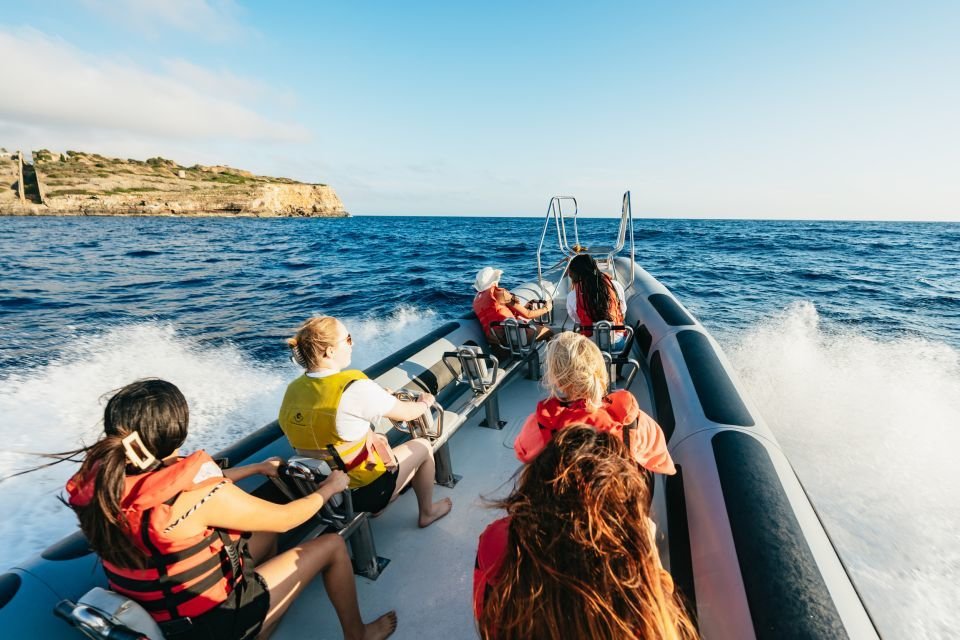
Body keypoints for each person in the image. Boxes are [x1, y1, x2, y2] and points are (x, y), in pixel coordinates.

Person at [64, 379, 396, 640]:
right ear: (175, 431)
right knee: (333, 545)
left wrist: (254, 469)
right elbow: (286, 519)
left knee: (260, 532)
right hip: (211, 624)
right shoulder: (200, 497)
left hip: (164, 618)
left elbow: (185, 490)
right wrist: (331, 487)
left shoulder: (104, 488)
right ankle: (359, 634)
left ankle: (259, 622)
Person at [475, 426, 698, 640]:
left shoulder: (497, 538)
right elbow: (661, 623)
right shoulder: (631, 574)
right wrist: (648, 557)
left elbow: (486, 613)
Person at [278, 316, 452, 528]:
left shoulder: (292, 390)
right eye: (348, 339)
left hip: (324, 490)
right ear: (330, 351)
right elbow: (407, 414)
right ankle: (427, 512)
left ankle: (385, 502)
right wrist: (425, 402)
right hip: (363, 492)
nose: (353, 344)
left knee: (376, 438)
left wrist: (381, 397)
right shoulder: (353, 386)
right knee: (424, 446)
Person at [514, 331, 675, 476]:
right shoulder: (633, 421)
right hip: (615, 501)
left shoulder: (539, 424)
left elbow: (522, 453)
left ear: (556, 379)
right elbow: (661, 463)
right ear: (599, 370)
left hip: (564, 502)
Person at [472, 266, 553, 349]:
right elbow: (528, 314)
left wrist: (524, 307)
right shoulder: (500, 293)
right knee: (548, 332)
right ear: (495, 280)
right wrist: (546, 308)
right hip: (514, 337)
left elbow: (497, 313)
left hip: (495, 341)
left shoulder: (476, 300)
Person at [566, 254, 628, 348]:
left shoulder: (572, 295)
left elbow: (576, 319)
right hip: (617, 344)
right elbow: (622, 312)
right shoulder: (615, 286)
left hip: (590, 347)